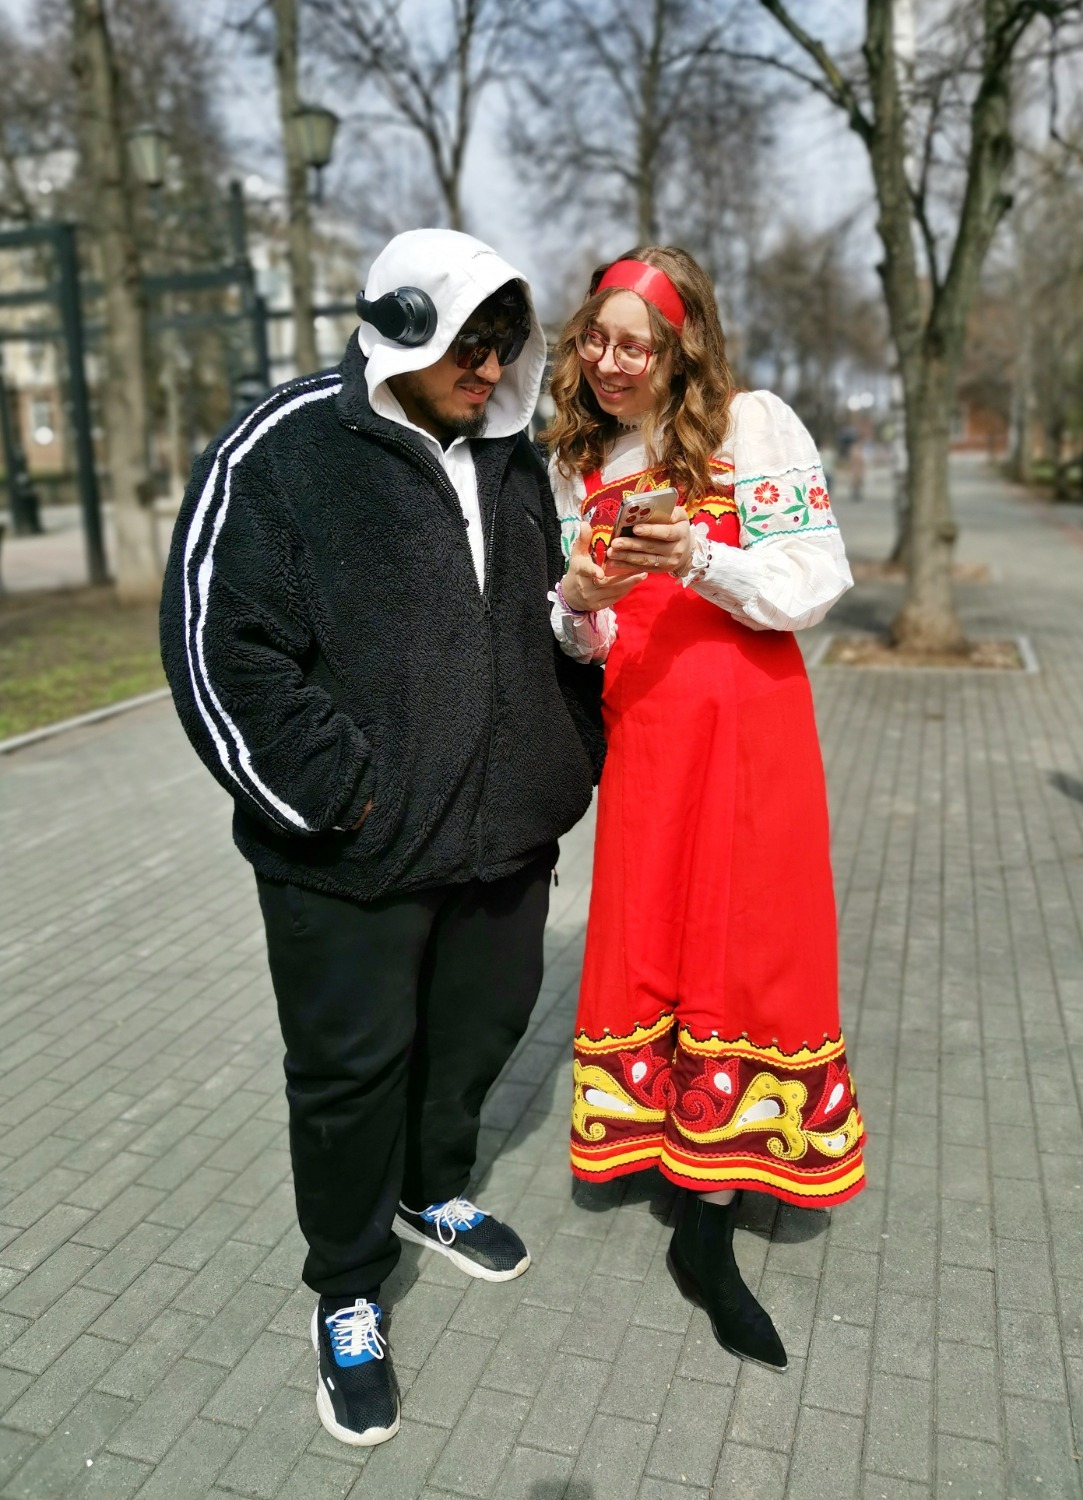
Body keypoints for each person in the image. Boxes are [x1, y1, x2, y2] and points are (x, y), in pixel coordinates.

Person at [159, 229, 604, 1447]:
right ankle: (349, 1287)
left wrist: (564, 750)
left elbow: (541, 613)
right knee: (350, 1077)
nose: (491, 365)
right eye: (470, 339)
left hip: (504, 839)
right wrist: (337, 798)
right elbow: (217, 643)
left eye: (506, 342)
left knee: (479, 1034)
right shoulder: (286, 448)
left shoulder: (511, 457)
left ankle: (429, 1191)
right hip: (349, 854)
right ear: (406, 323)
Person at [544, 246, 867, 1372]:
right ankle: (667, 1145)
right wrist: (575, 603)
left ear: (681, 348)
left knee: (747, 942)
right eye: (596, 338)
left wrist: (700, 555)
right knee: (657, 938)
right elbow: (588, 638)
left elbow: (814, 581)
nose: (608, 361)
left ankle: (712, 1218)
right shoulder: (582, 460)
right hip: (646, 733)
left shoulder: (753, 424)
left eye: (633, 344)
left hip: (748, 729)